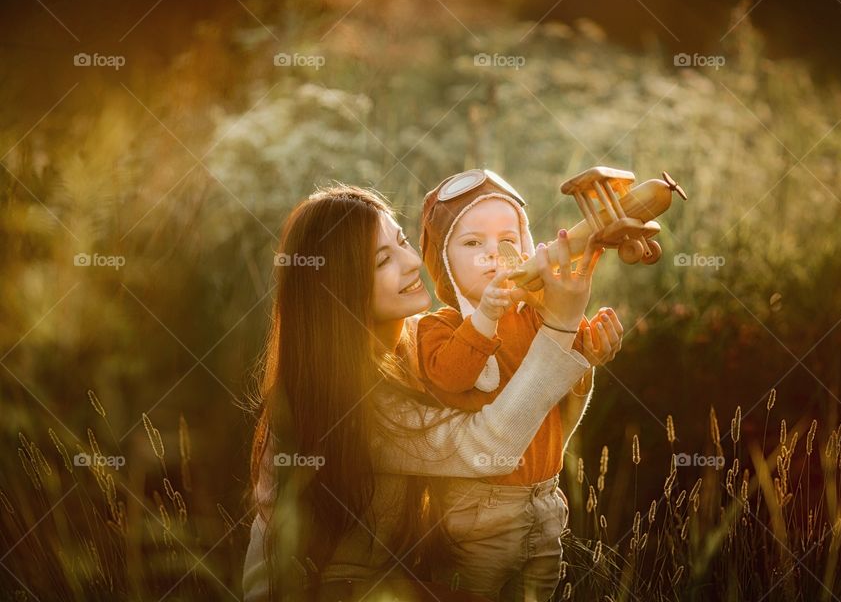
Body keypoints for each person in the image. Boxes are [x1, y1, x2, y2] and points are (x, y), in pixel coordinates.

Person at [242, 184, 621, 601]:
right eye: (382, 260)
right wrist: (561, 326)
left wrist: (578, 356)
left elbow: (533, 431)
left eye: (403, 241)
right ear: (338, 291)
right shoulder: (352, 399)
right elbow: (491, 446)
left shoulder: (426, 345)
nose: (410, 263)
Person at [415, 169, 622, 600]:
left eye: (508, 241)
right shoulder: (441, 325)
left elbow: (564, 360)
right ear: (443, 261)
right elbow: (451, 376)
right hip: (479, 513)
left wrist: (593, 345)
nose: (494, 254)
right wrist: (486, 316)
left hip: (545, 500)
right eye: (473, 244)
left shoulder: (534, 314)